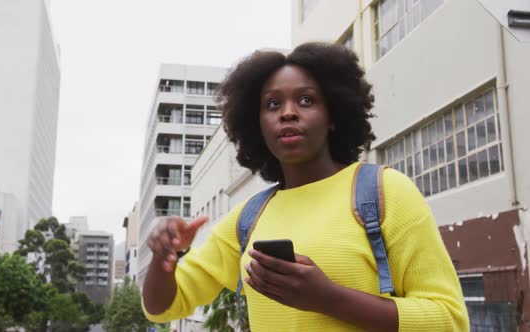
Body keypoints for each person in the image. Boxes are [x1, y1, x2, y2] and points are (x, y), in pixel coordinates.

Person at [142, 42, 469, 331]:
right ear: (258, 124)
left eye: (306, 100)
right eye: (272, 105)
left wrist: (329, 299)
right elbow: (164, 307)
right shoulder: (249, 218)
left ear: (332, 115)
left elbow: (449, 319)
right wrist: (163, 256)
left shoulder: (384, 191)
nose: (288, 113)